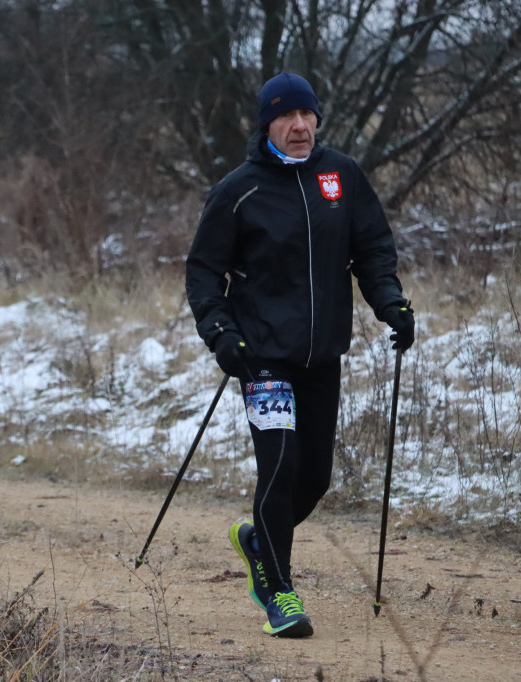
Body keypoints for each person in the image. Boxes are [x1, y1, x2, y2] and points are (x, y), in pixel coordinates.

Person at [185, 72, 414, 638]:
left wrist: (392, 305)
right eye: (287, 118)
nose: (299, 126)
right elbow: (202, 270)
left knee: (314, 477)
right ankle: (278, 591)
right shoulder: (239, 189)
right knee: (281, 465)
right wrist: (221, 334)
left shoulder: (341, 175)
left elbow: (372, 250)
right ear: (267, 126)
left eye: (307, 116)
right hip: (261, 352)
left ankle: (259, 541)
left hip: (321, 353)